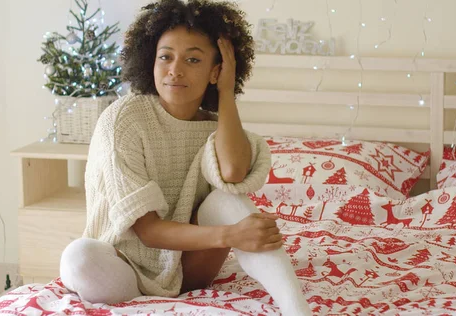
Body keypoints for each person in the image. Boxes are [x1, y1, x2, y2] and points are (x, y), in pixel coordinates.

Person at [59, 0, 310, 314]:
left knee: (225, 199)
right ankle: (141, 306)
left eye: (193, 59)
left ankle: (297, 309)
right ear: (151, 61)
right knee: (78, 257)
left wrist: (226, 92)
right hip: (121, 267)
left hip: (188, 270)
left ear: (215, 70)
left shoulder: (215, 127)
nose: (175, 70)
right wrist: (232, 235)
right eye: (165, 57)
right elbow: (148, 232)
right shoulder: (124, 119)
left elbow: (233, 172)